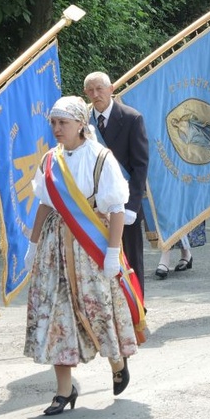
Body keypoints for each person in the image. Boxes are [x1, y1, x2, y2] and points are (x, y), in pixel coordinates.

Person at [24, 96, 141, 416]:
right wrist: (33, 245)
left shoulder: (101, 158)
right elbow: (45, 204)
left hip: (90, 246)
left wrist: (113, 253)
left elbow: (116, 209)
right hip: (54, 248)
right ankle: (63, 391)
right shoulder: (50, 161)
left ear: (80, 124)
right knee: (54, 314)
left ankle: (117, 360)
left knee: (97, 309)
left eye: (63, 123)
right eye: (53, 123)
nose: (57, 129)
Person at [84, 72, 149, 294]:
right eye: (90, 90)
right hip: (93, 205)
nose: (95, 94)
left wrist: (132, 206)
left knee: (131, 256)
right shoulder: (82, 121)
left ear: (111, 89)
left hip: (124, 203)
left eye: (99, 88)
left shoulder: (132, 118)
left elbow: (140, 167)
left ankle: (137, 306)